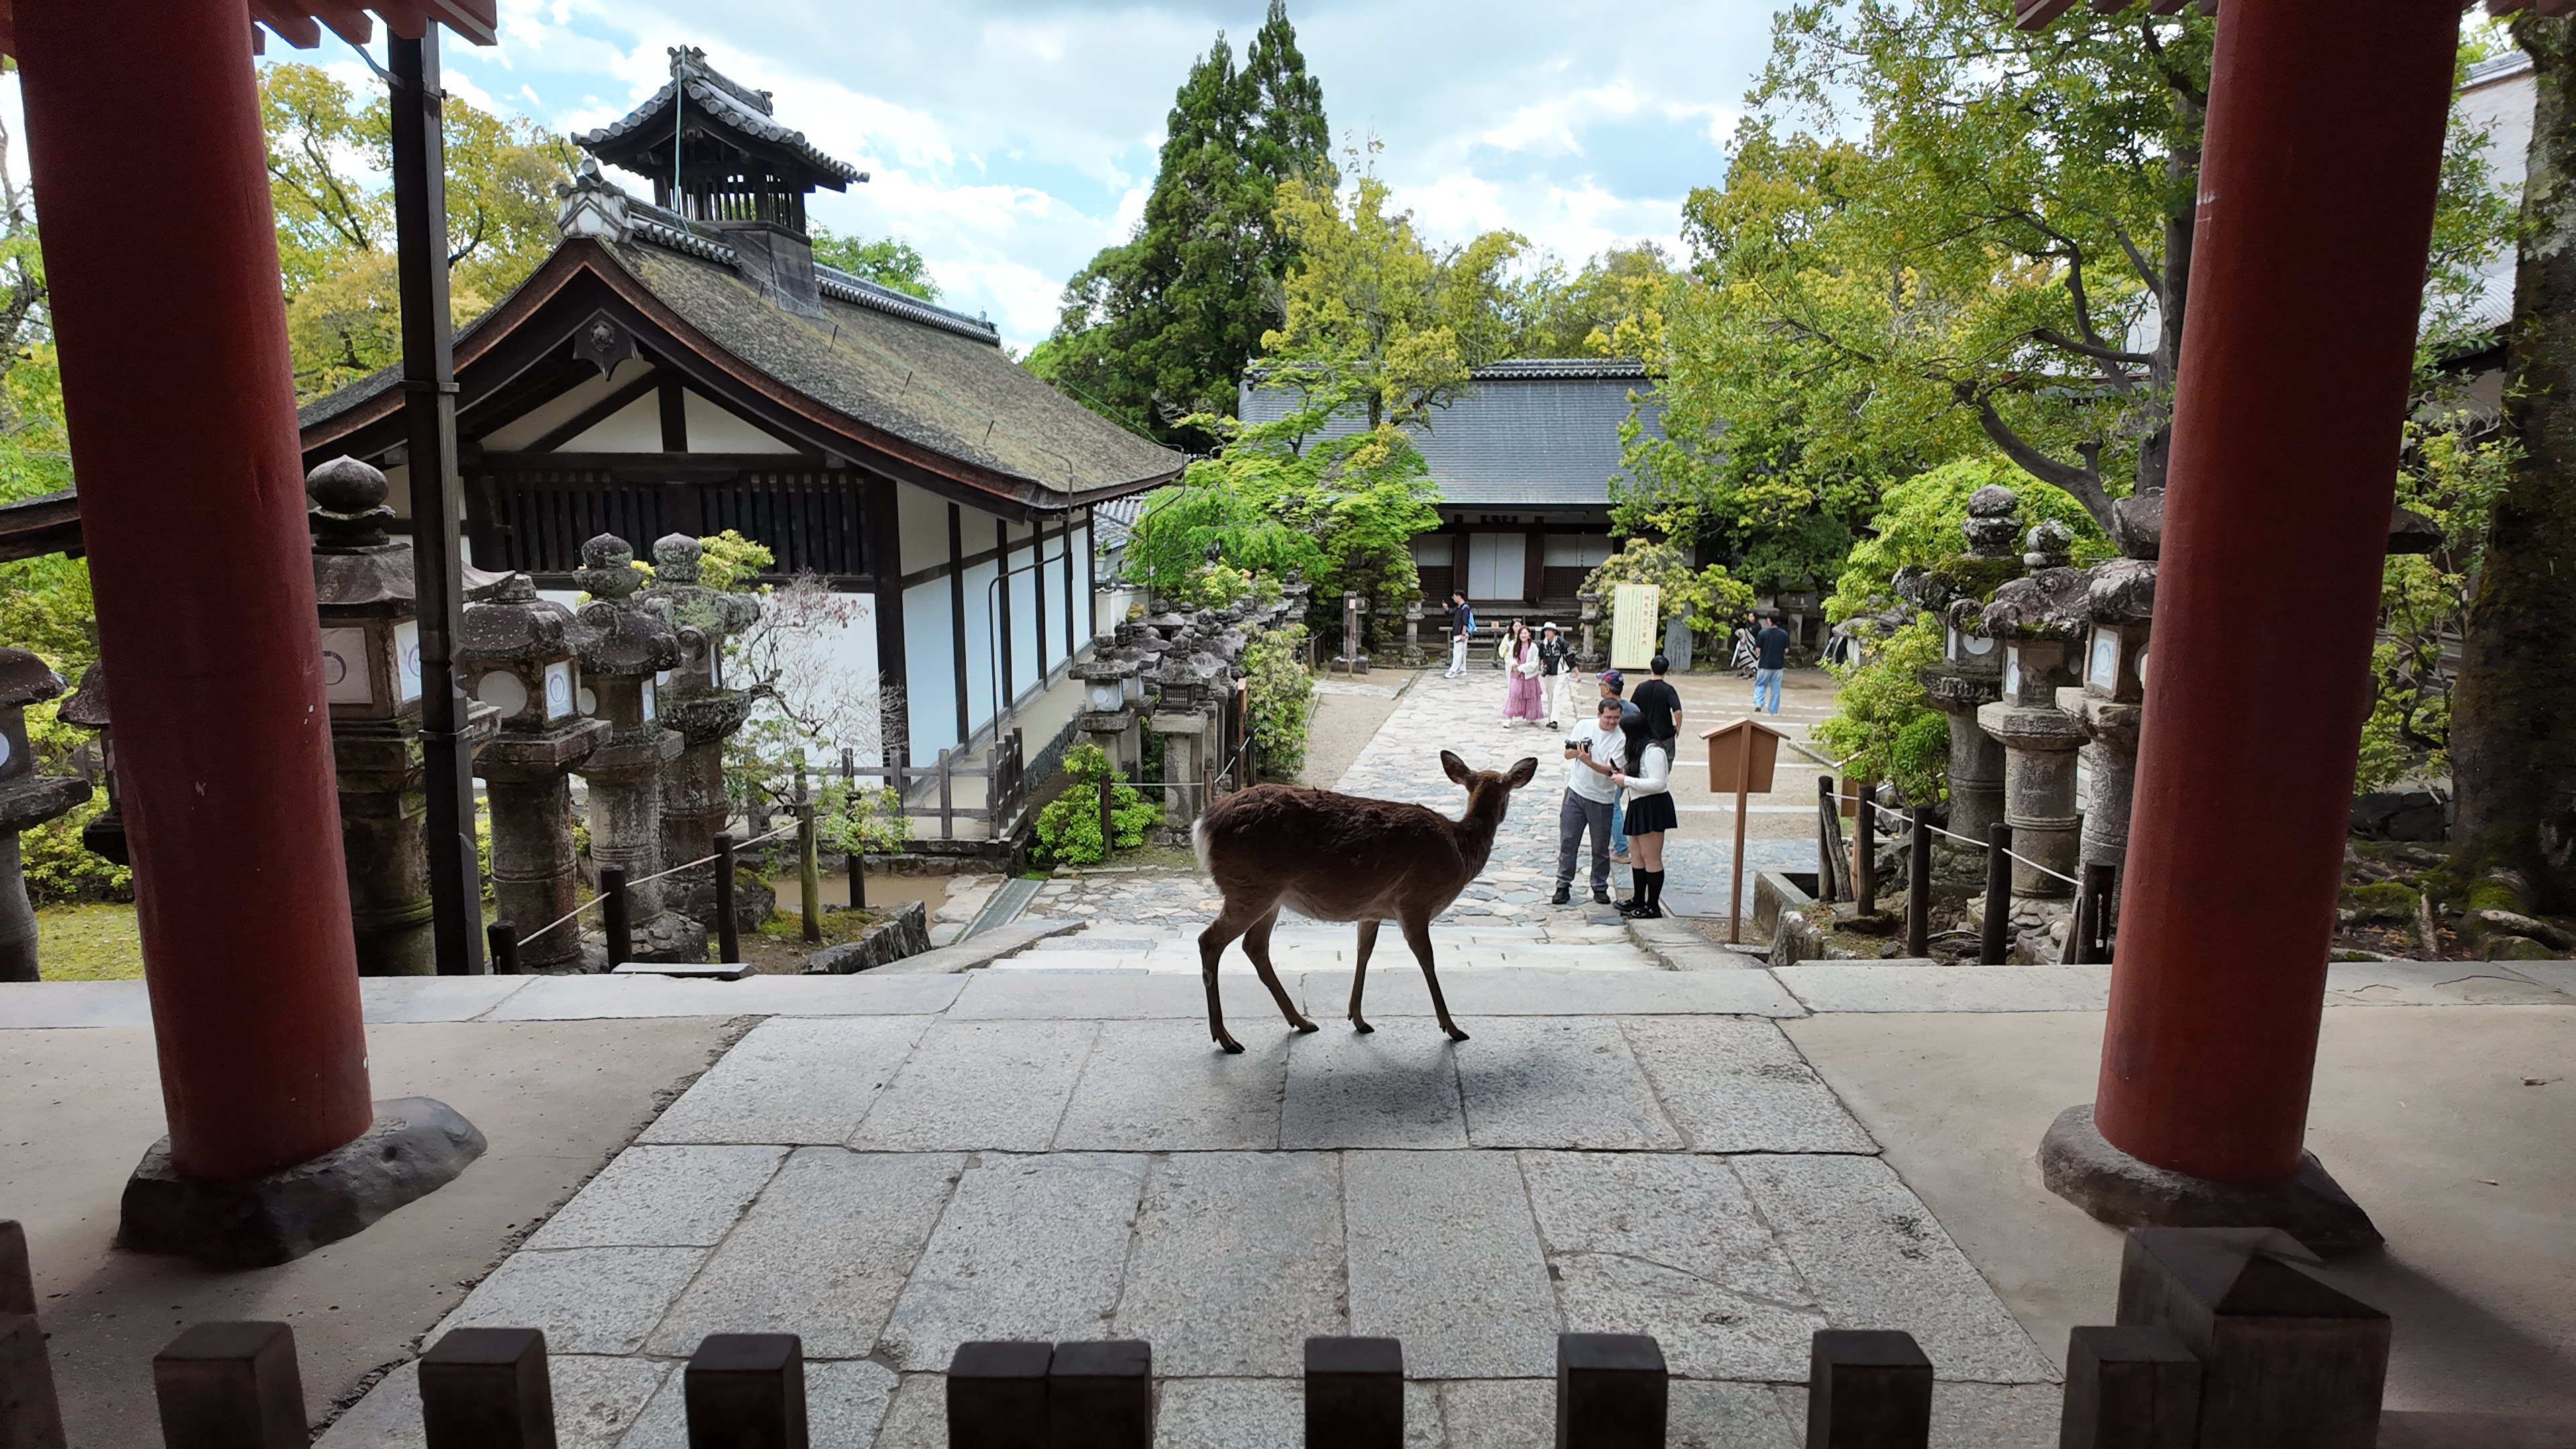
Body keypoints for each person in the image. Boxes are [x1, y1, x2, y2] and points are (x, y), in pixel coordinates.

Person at [1553, 696, 1628, 906]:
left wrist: (1588, 761)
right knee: (1568, 841)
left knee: (1600, 847)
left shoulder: (1621, 739)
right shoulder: (1583, 726)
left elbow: (1612, 770)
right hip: (1576, 792)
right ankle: (1563, 885)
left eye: (1616, 718)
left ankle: (1600, 886)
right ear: (1599, 715)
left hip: (1602, 798)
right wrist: (1580, 751)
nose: (1612, 722)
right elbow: (1567, 753)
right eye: (1608, 717)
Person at [1613, 712, 1676, 918]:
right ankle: (1638, 899)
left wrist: (1627, 780)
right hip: (1638, 803)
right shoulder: (1639, 749)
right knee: (1637, 854)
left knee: (1651, 857)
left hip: (1653, 805)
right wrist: (1624, 773)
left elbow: (1658, 783)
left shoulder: (1653, 751)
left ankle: (1652, 906)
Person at [1598, 670, 1642, 863]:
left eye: (1601, 684)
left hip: (1618, 765)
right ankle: (1615, 842)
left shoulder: (1610, 711)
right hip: (1633, 762)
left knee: (1613, 805)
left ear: (1607, 688)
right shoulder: (1633, 708)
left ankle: (1622, 848)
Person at [1632, 654, 1684, 745]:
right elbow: (1677, 711)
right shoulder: (1668, 689)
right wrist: (1678, 726)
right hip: (1665, 735)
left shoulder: (1641, 688)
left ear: (1651, 669)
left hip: (1645, 735)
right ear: (1666, 671)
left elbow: (1633, 708)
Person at [1502, 621, 1546, 724]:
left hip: (1528, 676)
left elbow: (1535, 663)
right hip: (1516, 675)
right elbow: (1509, 658)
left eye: (1525, 633)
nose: (1523, 635)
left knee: (1530, 696)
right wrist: (1514, 664)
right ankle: (1509, 718)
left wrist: (1521, 668)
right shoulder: (1515, 645)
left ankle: (1530, 716)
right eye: (1521, 633)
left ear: (1529, 634)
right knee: (1514, 695)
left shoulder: (1533, 647)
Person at [1753, 612, 1792, 714]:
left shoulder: (1762, 633)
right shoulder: (1784, 634)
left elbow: (1758, 650)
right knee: (1776, 688)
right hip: (1778, 665)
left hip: (1764, 663)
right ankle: (1773, 710)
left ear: (1769, 620)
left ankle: (1758, 703)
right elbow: (1787, 650)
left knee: (1761, 684)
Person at [1537, 621, 1574, 728]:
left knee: (1557, 696)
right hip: (1549, 674)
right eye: (1546, 631)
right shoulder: (1543, 645)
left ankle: (1555, 720)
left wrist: (1576, 672)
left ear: (1554, 632)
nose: (1547, 633)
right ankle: (1551, 719)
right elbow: (1541, 657)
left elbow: (1570, 657)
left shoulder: (1562, 643)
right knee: (1550, 697)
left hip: (1560, 673)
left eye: (1549, 631)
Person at [1444, 592, 1474, 678]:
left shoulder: (1465, 608)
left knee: (1457, 653)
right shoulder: (1459, 607)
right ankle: (1462, 670)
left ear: (1459, 597)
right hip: (1460, 633)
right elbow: (1451, 612)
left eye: (1454, 597)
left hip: (1460, 633)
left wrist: (1463, 634)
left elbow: (1465, 622)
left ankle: (1453, 671)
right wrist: (1446, 608)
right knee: (1462, 653)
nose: (1454, 599)